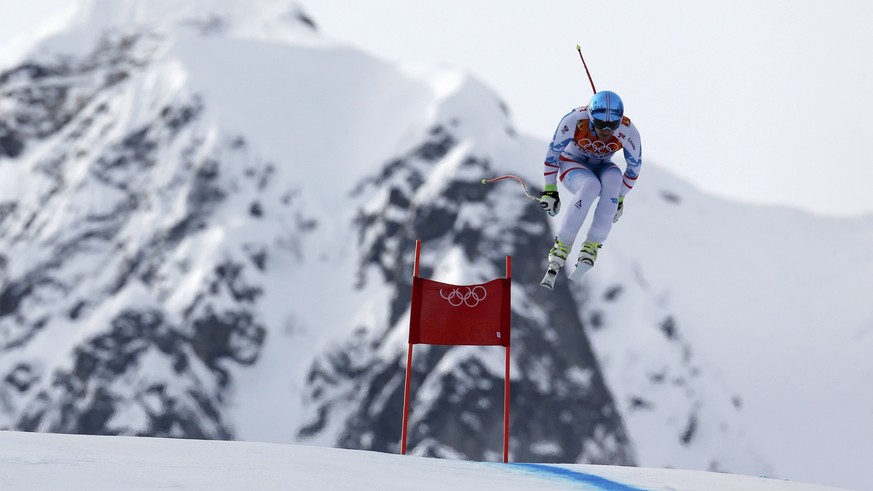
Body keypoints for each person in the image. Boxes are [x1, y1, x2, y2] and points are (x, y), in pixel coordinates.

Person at [539, 90, 642, 289]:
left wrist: (620, 197)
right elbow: (553, 154)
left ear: (619, 120)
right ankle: (562, 245)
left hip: (603, 165)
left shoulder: (628, 132)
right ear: (590, 116)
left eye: (612, 125)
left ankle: (592, 245)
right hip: (572, 163)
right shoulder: (575, 120)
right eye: (600, 124)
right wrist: (550, 190)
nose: (605, 130)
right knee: (591, 186)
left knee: (613, 178)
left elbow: (634, 168)